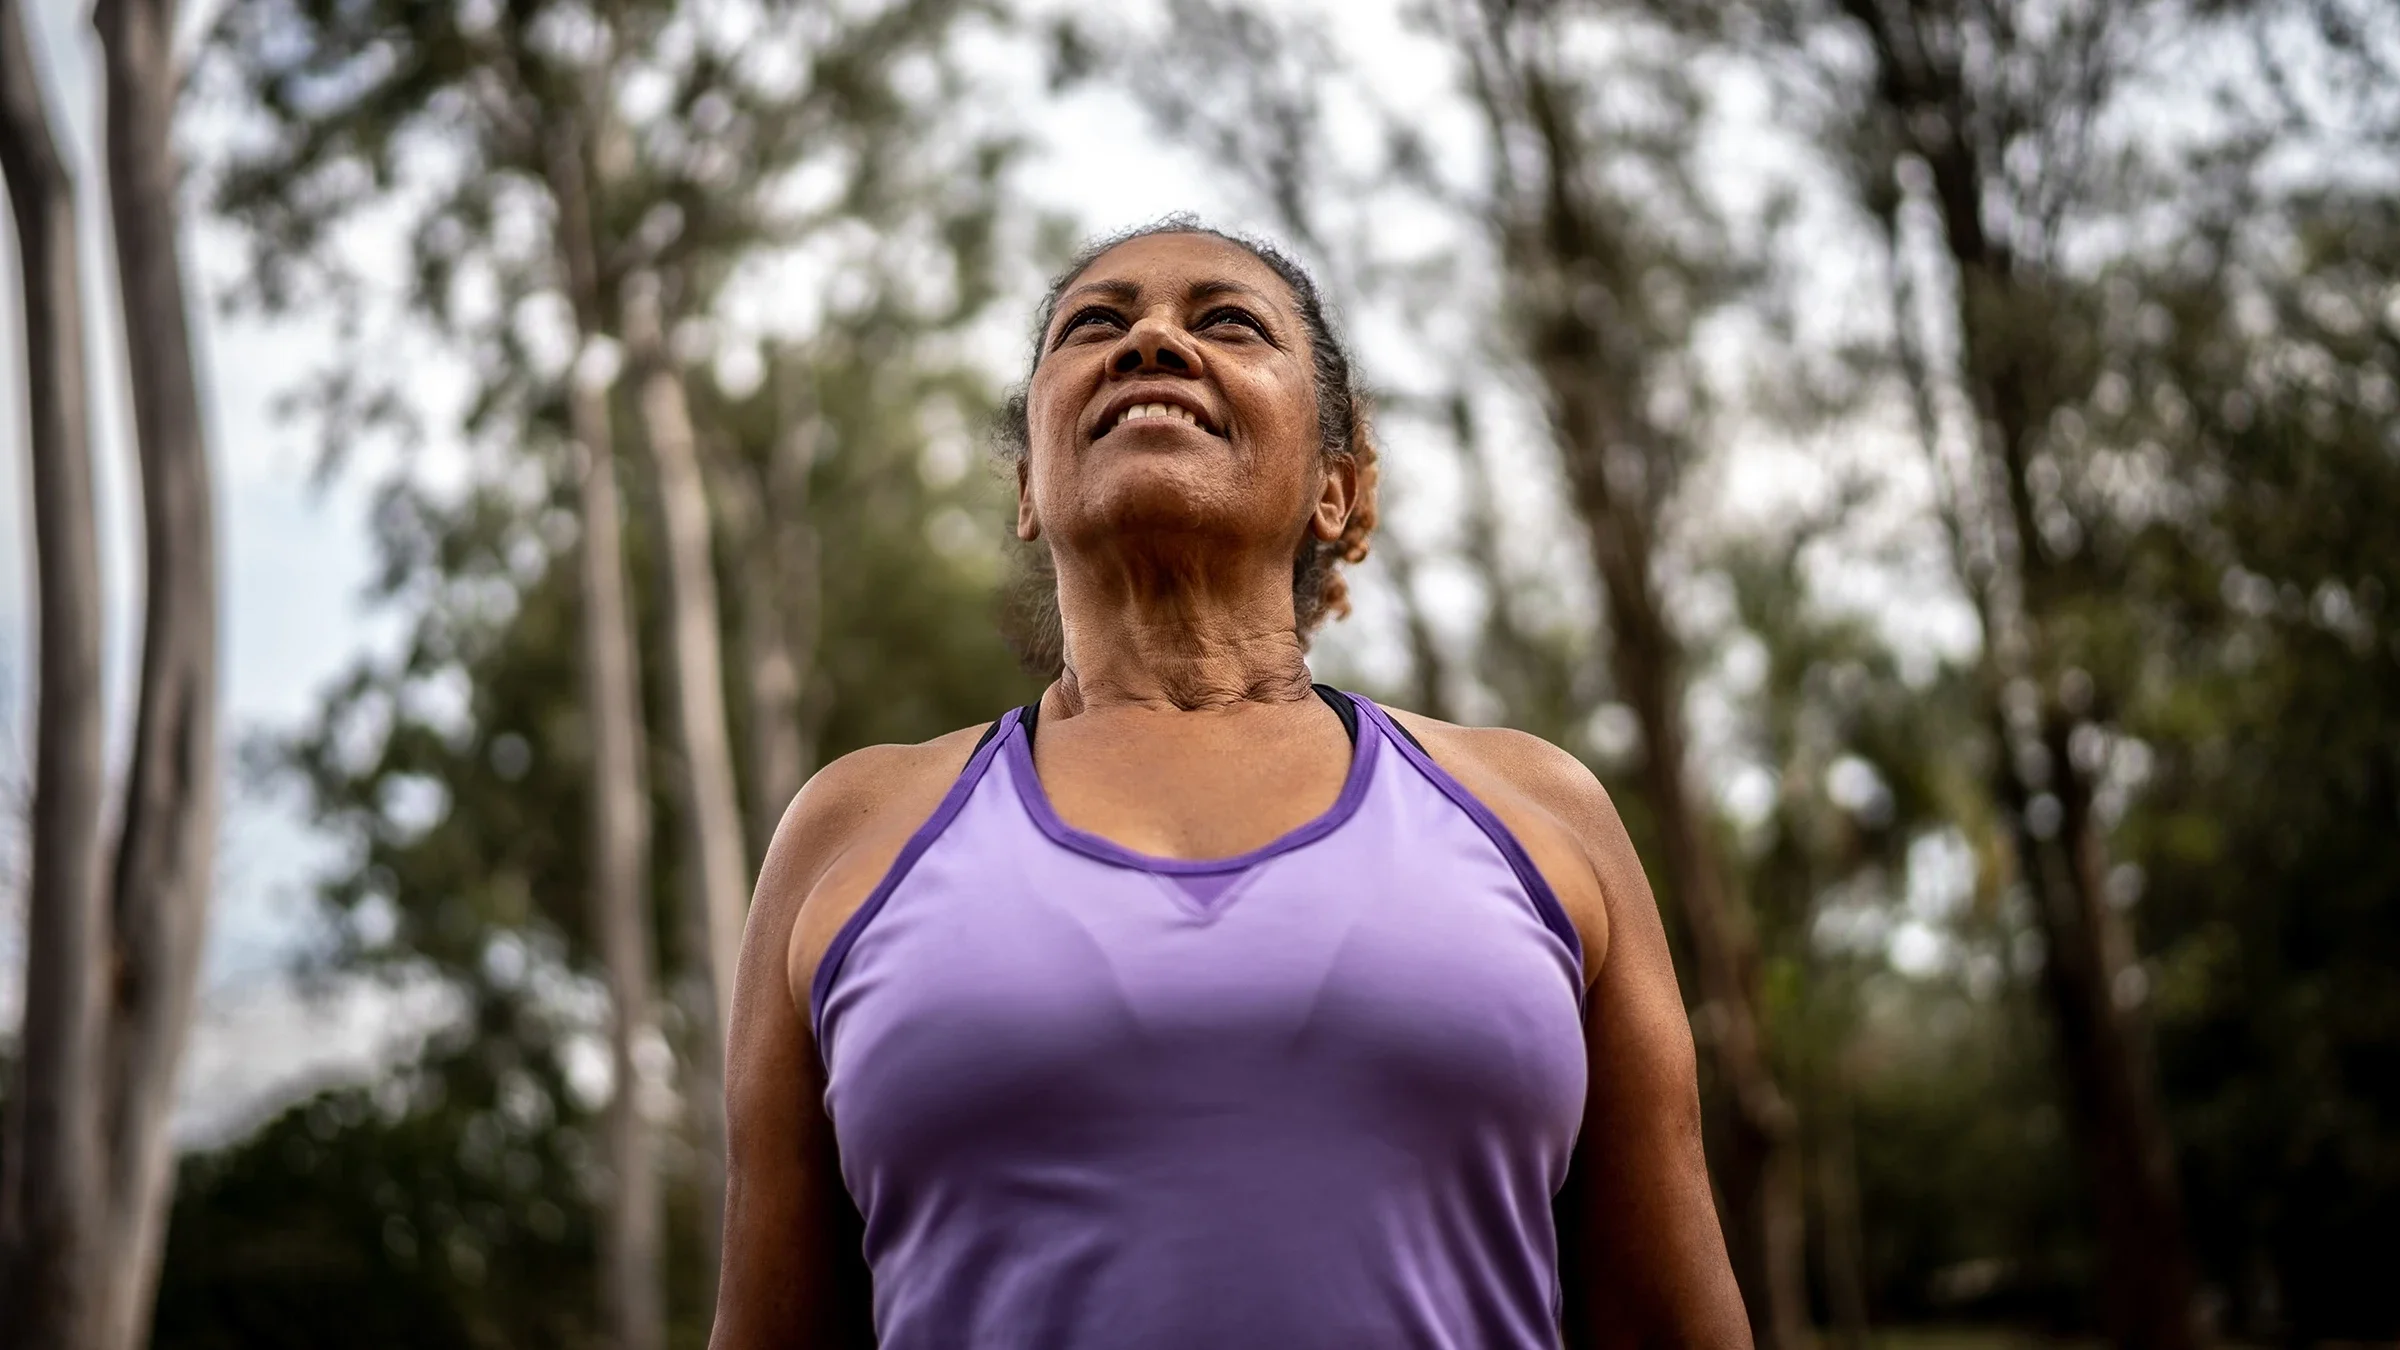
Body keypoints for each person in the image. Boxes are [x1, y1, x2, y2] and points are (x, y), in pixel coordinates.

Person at [709, 218, 1752, 1349]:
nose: (1151, 341)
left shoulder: (1538, 812)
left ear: (1335, 489)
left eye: (1229, 322)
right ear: (1027, 488)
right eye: (1094, 324)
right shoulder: (854, 830)